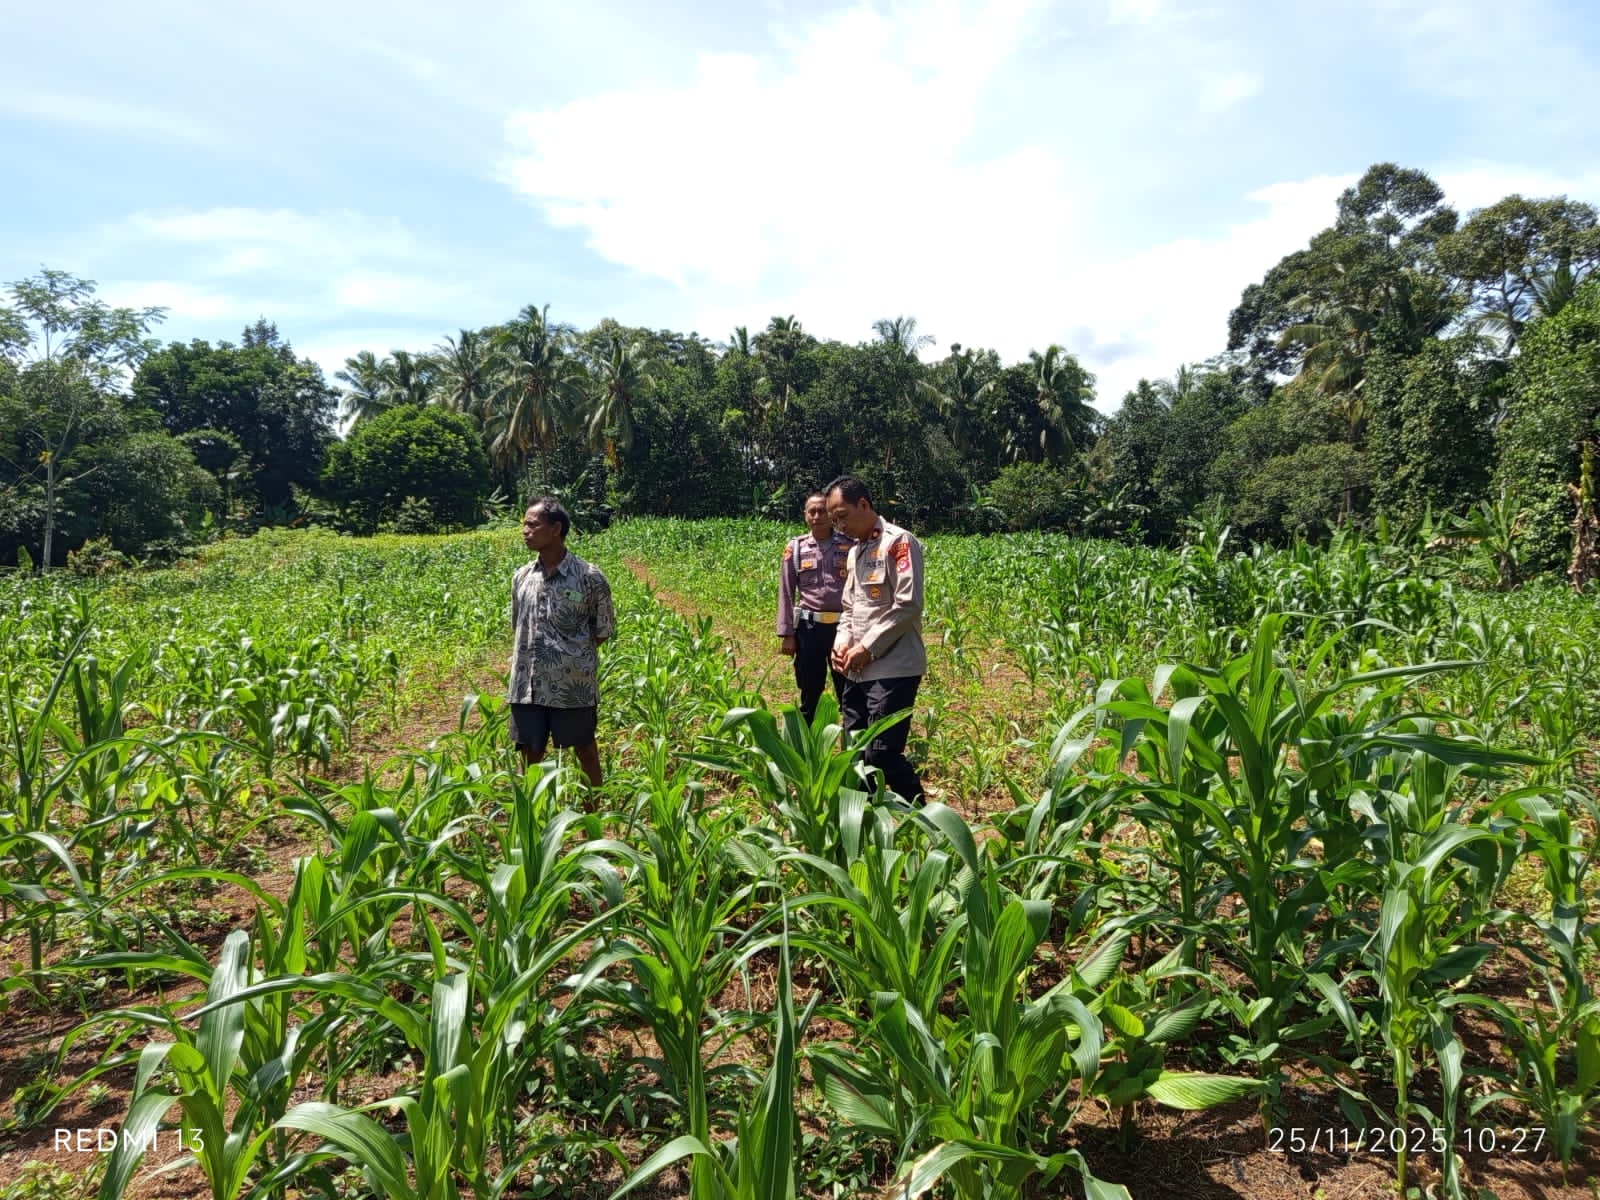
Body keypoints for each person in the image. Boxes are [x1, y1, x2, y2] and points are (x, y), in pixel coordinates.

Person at [826, 475, 926, 805]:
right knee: (855, 754)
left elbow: (908, 604)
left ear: (864, 504)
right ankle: (865, 821)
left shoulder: (899, 543)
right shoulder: (856, 552)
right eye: (834, 520)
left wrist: (867, 647)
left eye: (843, 516)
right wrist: (841, 642)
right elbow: (849, 607)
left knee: (882, 754)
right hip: (856, 670)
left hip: (893, 668)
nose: (840, 526)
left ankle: (924, 819)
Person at [508, 497, 615, 788]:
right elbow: (519, 625)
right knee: (529, 753)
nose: (526, 531)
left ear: (556, 529)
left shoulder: (589, 577)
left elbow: (603, 630)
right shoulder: (522, 577)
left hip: (572, 686)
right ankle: (531, 812)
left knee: (584, 750)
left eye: (533, 525)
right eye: (524, 525)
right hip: (527, 685)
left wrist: (569, 657)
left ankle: (594, 810)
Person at [776, 491, 853, 722]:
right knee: (810, 690)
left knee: (848, 690)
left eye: (822, 511)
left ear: (831, 515)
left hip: (843, 628)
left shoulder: (849, 545)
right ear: (805, 515)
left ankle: (850, 739)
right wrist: (787, 634)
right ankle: (809, 739)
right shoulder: (796, 548)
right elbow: (786, 591)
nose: (817, 516)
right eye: (812, 512)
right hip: (809, 629)